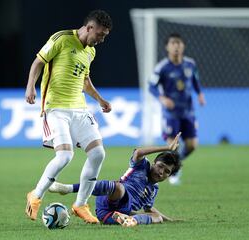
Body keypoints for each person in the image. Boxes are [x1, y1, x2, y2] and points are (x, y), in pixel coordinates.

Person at [24, 9, 113, 224]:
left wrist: (100, 100)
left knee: (98, 154)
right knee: (65, 156)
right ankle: (35, 196)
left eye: (104, 36)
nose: (101, 40)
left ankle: (80, 204)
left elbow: (84, 80)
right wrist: (30, 87)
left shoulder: (90, 52)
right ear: (89, 27)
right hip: (55, 109)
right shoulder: (62, 39)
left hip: (80, 110)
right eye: (100, 34)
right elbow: (38, 62)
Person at [49, 133, 182, 227]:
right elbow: (138, 153)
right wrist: (166, 148)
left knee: (157, 218)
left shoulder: (154, 190)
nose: (161, 172)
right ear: (154, 163)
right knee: (118, 187)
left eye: (166, 172)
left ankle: (131, 221)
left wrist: (169, 220)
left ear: (169, 176)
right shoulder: (142, 165)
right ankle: (68, 188)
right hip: (111, 198)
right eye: (160, 166)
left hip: (113, 214)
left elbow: (149, 208)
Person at [148, 33, 206, 185]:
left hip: (188, 111)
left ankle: (175, 164)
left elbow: (195, 80)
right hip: (170, 113)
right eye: (173, 43)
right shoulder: (162, 68)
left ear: (183, 46)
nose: (176, 46)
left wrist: (200, 94)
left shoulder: (190, 64)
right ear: (167, 47)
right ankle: (173, 172)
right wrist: (162, 99)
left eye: (179, 43)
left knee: (192, 145)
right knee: (172, 146)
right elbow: (151, 86)